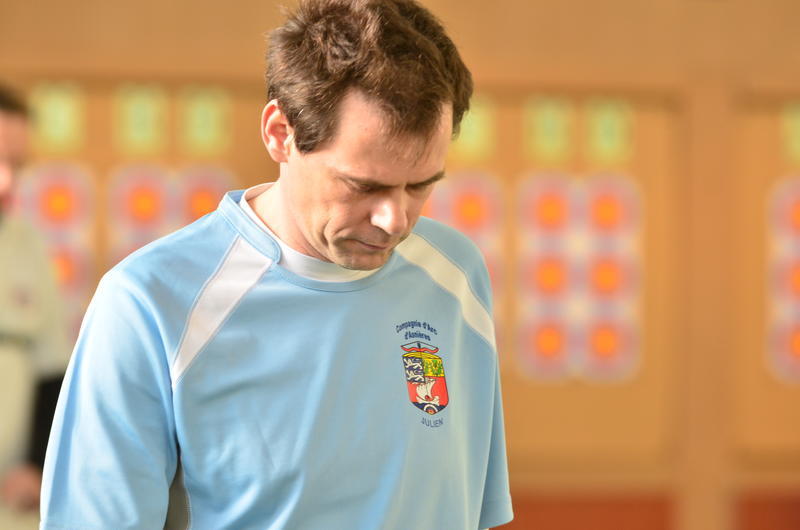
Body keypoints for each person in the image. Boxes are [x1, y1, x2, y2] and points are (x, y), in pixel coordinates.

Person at [40, 0, 513, 528]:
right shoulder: (148, 304)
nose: (394, 220)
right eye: (363, 186)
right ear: (280, 133)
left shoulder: (458, 276)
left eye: (420, 185)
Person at [0, 85, 69, 514]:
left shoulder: (27, 245)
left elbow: (52, 367)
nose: (6, 180)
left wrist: (37, 462)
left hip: (11, 496)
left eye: (16, 164)